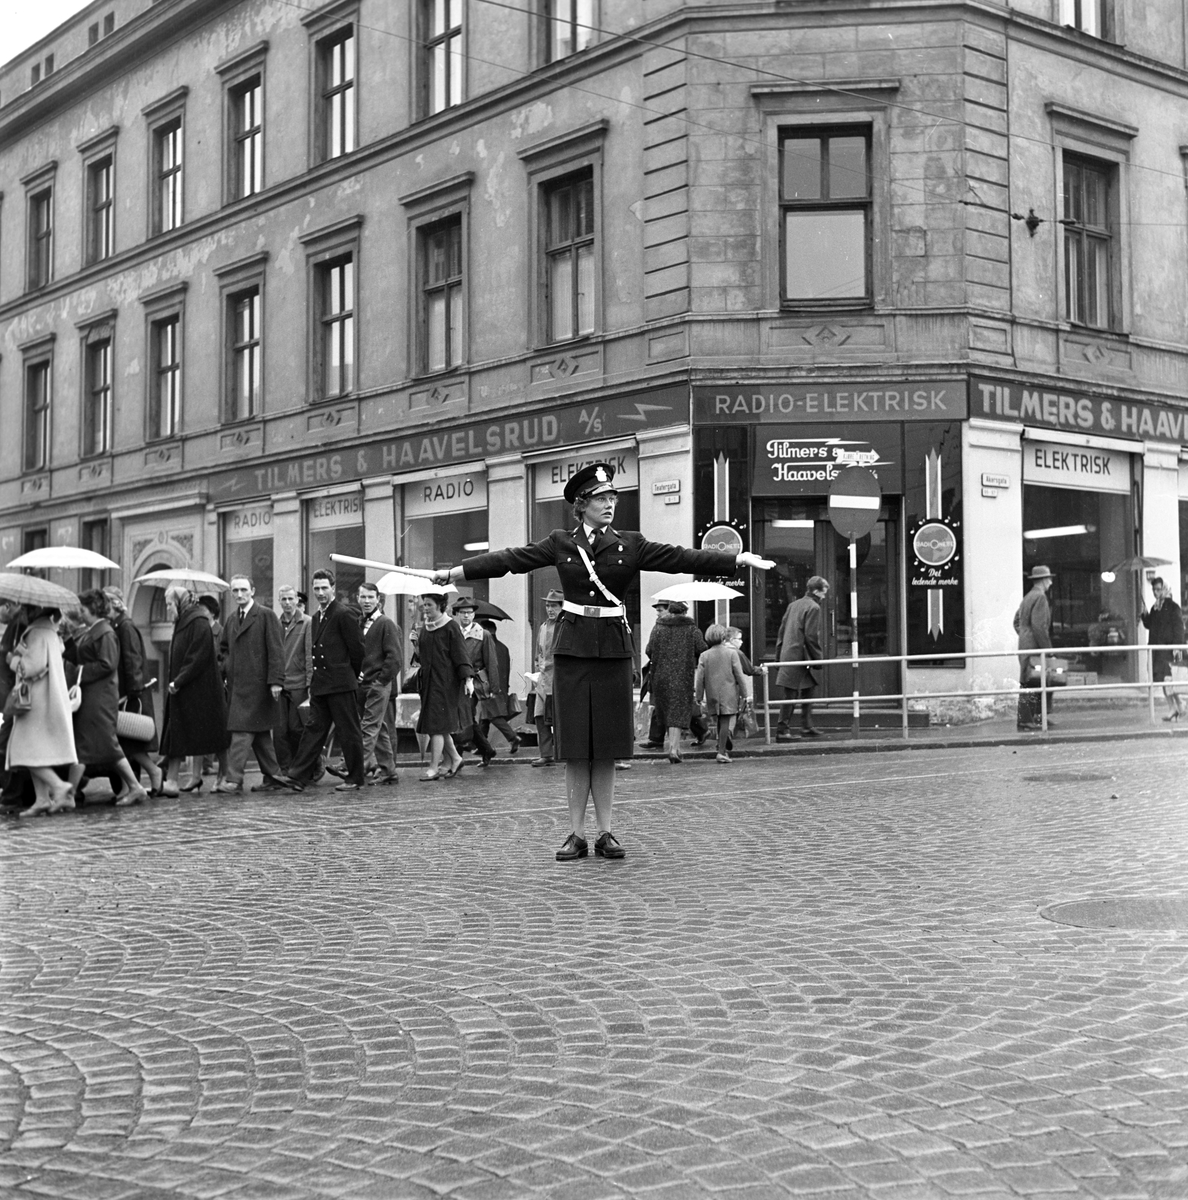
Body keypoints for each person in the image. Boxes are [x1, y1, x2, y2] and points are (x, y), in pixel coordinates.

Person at [432, 460, 771, 861]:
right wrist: (454, 572)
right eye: (600, 498)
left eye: (612, 497)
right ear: (582, 504)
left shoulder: (631, 542)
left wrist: (737, 559)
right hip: (572, 650)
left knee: (607, 746)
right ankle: (576, 835)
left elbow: (682, 557)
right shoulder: (561, 541)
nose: (610, 504)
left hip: (612, 650)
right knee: (576, 746)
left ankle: (606, 832)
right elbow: (512, 559)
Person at [281, 569, 366, 793]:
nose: (320, 593)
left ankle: (356, 777)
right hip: (321, 685)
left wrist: (350, 675)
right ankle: (298, 776)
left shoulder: (343, 613)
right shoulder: (318, 616)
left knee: (349, 731)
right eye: (316, 588)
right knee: (313, 731)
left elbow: (357, 650)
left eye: (324, 588)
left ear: (333, 588)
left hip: (340, 684)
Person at [64, 589, 150, 807]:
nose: (80, 614)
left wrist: (79, 671)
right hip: (94, 697)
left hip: (100, 698)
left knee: (99, 745)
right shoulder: (98, 630)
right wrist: (68, 640)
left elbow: (107, 664)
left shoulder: (104, 632)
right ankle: (69, 795)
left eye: (83, 609)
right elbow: (84, 656)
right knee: (94, 746)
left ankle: (134, 787)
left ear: (93, 609)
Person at [159, 585, 232, 796]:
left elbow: (197, 656)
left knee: (215, 735)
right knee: (176, 732)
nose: (168, 609)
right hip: (186, 690)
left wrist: (179, 680)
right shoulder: (185, 621)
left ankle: (223, 777)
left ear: (180, 603)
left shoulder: (197, 621)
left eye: (169, 604)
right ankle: (172, 781)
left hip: (202, 691)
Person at [5, 605, 77, 816]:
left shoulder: (36, 632)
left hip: (36, 702)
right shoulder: (51, 633)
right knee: (38, 753)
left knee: (23, 750)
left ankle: (59, 787)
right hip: (47, 700)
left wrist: (14, 660)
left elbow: (32, 667)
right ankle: (42, 799)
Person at [218, 575, 286, 794]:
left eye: (243, 590)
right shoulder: (231, 619)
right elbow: (224, 649)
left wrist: (276, 682)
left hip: (260, 686)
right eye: (235, 591)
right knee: (260, 734)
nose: (239, 594)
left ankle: (234, 779)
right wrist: (227, 668)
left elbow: (276, 651)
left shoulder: (266, 615)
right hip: (238, 686)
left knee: (241, 731)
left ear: (253, 591)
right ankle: (274, 776)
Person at [103, 586, 163, 796]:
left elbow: (132, 659)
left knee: (126, 741)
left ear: (115, 604)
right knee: (124, 742)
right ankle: (140, 780)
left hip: (130, 694)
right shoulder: (118, 625)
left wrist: (133, 690)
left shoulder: (125, 626)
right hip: (125, 692)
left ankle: (150, 774)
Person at [412, 592, 474, 780]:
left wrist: (468, 679)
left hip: (445, 684)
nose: (425, 608)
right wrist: (415, 645)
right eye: (424, 604)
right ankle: (454, 759)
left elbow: (461, 655)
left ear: (440, 605)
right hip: (429, 683)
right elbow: (421, 658)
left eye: (429, 604)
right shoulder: (425, 628)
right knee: (440, 725)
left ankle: (433, 768)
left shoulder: (451, 627)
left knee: (436, 726)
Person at [645, 599, 708, 764]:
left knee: (666, 711)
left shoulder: (658, 628)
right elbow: (702, 649)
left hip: (660, 676)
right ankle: (674, 748)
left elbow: (648, 650)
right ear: (685, 613)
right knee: (677, 712)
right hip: (682, 676)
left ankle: (676, 748)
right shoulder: (692, 629)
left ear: (670, 612)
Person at [357, 581, 401, 785]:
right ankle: (388, 770)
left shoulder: (385, 623)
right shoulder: (360, 623)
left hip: (378, 684)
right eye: (362, 597)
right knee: (380, 727)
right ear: (358, 599)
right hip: (364, 683)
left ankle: (354, 770)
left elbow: (395, 658)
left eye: (370, 597)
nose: (366, 601)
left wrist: (380, 681)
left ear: (378, 600)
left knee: (368, 727)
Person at [774, 576, 829, 739]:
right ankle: (782, 730)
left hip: (789, 654)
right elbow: (810, 635)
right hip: (799, 656)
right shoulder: (814, 607)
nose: (824, 597)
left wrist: (778, 657)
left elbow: (781, 632)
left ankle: (806, 726)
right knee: (790, 693)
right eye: (823, 593)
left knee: (807, 688)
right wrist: (818, 659)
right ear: (816, 591)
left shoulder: (793, 605)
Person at [452, 598, 500, 767]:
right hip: (456, 682)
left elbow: (491, 661)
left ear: (474, 614)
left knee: (463, 716)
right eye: (463, 613)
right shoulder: (454, 632)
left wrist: (494, 687)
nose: (466, 616)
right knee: (467, 718)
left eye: (469, 613)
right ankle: (486, 750)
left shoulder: (483, 634)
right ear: (457, 614)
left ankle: (456, 756)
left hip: (474, 683)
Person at [695, 624, 750, 764]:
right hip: (728, 692)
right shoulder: (731, 653)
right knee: (726, 720)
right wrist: (745, 694)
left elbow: (699, 679)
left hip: (712, 692)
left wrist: (699, 696)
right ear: (723, 637)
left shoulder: (704, 655)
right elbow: (739, 675)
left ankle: (722, 746)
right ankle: (721, 752)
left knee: (720, 719)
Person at [0, 599, 35, 808]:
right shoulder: (17, 624)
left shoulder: (20, 624)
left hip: (17, 696)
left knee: (8, 744)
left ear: (7, 606)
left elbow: (23, 662)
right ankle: (14, 794)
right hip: (14, 696)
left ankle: (14, 795)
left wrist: (11, 658)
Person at [274, 586, 312, 773]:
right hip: (279, 685)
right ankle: (285, 769)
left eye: (291, 599)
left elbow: (309, 655)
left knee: (297, 729)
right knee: (279, 731)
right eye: (284, 599)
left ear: (297, 601)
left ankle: (303, 767)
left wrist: (309, 684)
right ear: (279, 601)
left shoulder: (307, 623)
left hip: (298, 684)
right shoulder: (274, 623)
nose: (287, 603)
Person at [1014, 565, 1055, 731]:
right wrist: (1049, 651)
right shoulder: (1040, 598)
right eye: (1049, 579)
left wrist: (1024, 635)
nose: (1051, 582)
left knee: (1031, 680)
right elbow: (1040, 627)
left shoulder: (1028, 597)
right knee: (1034, 681)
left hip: (1025, 646)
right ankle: (1028, 719)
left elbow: (1016, 621)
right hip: (1035, 647)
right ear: (1043, 580)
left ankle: (1036, 717)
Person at [1140, 576, 1186, 722]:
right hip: (1157, 650)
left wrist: (1177, 647)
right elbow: (1150, 625)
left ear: (1164, 589)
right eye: (1154, 590)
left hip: (1168, 649)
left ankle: (1178, 705)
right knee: (1162, 679)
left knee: (1169, 679)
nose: (1156, 592)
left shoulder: (1173, 607)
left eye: (1158, 589)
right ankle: (1176, 706)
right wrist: (1144, 615)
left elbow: (1179, 628)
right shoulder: (1155, 607)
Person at [478, 616, 523, 755]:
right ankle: (482, 745)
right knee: (485, 717)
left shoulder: (486, 647)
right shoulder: (503, 647)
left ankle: (512, 737)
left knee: (492, 716)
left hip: (489, 687)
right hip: (501, 687)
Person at [531, 590, 563, 766]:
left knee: (561, 719)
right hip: (543, 680)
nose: (550, 609)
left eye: (554, 606)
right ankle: (546, 754)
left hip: (559, 680)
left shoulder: (564, 626)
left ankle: (566, 754)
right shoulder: (543, 627)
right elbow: (539, 653)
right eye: (548, 605)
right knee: (540, 716)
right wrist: (537, 667)